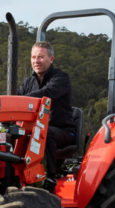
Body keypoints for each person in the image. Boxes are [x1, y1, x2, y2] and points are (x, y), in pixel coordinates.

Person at [17, 41, 76, 189]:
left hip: (62, 130)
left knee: (44, 133)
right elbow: (16, 100)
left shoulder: (61, 78)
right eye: (33, 57)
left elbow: (46, 94)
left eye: (40, 57)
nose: (36, 61)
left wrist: (20, 100)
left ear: (51, 59)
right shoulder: (28, 82)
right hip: (36, 130)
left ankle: (48, 181)